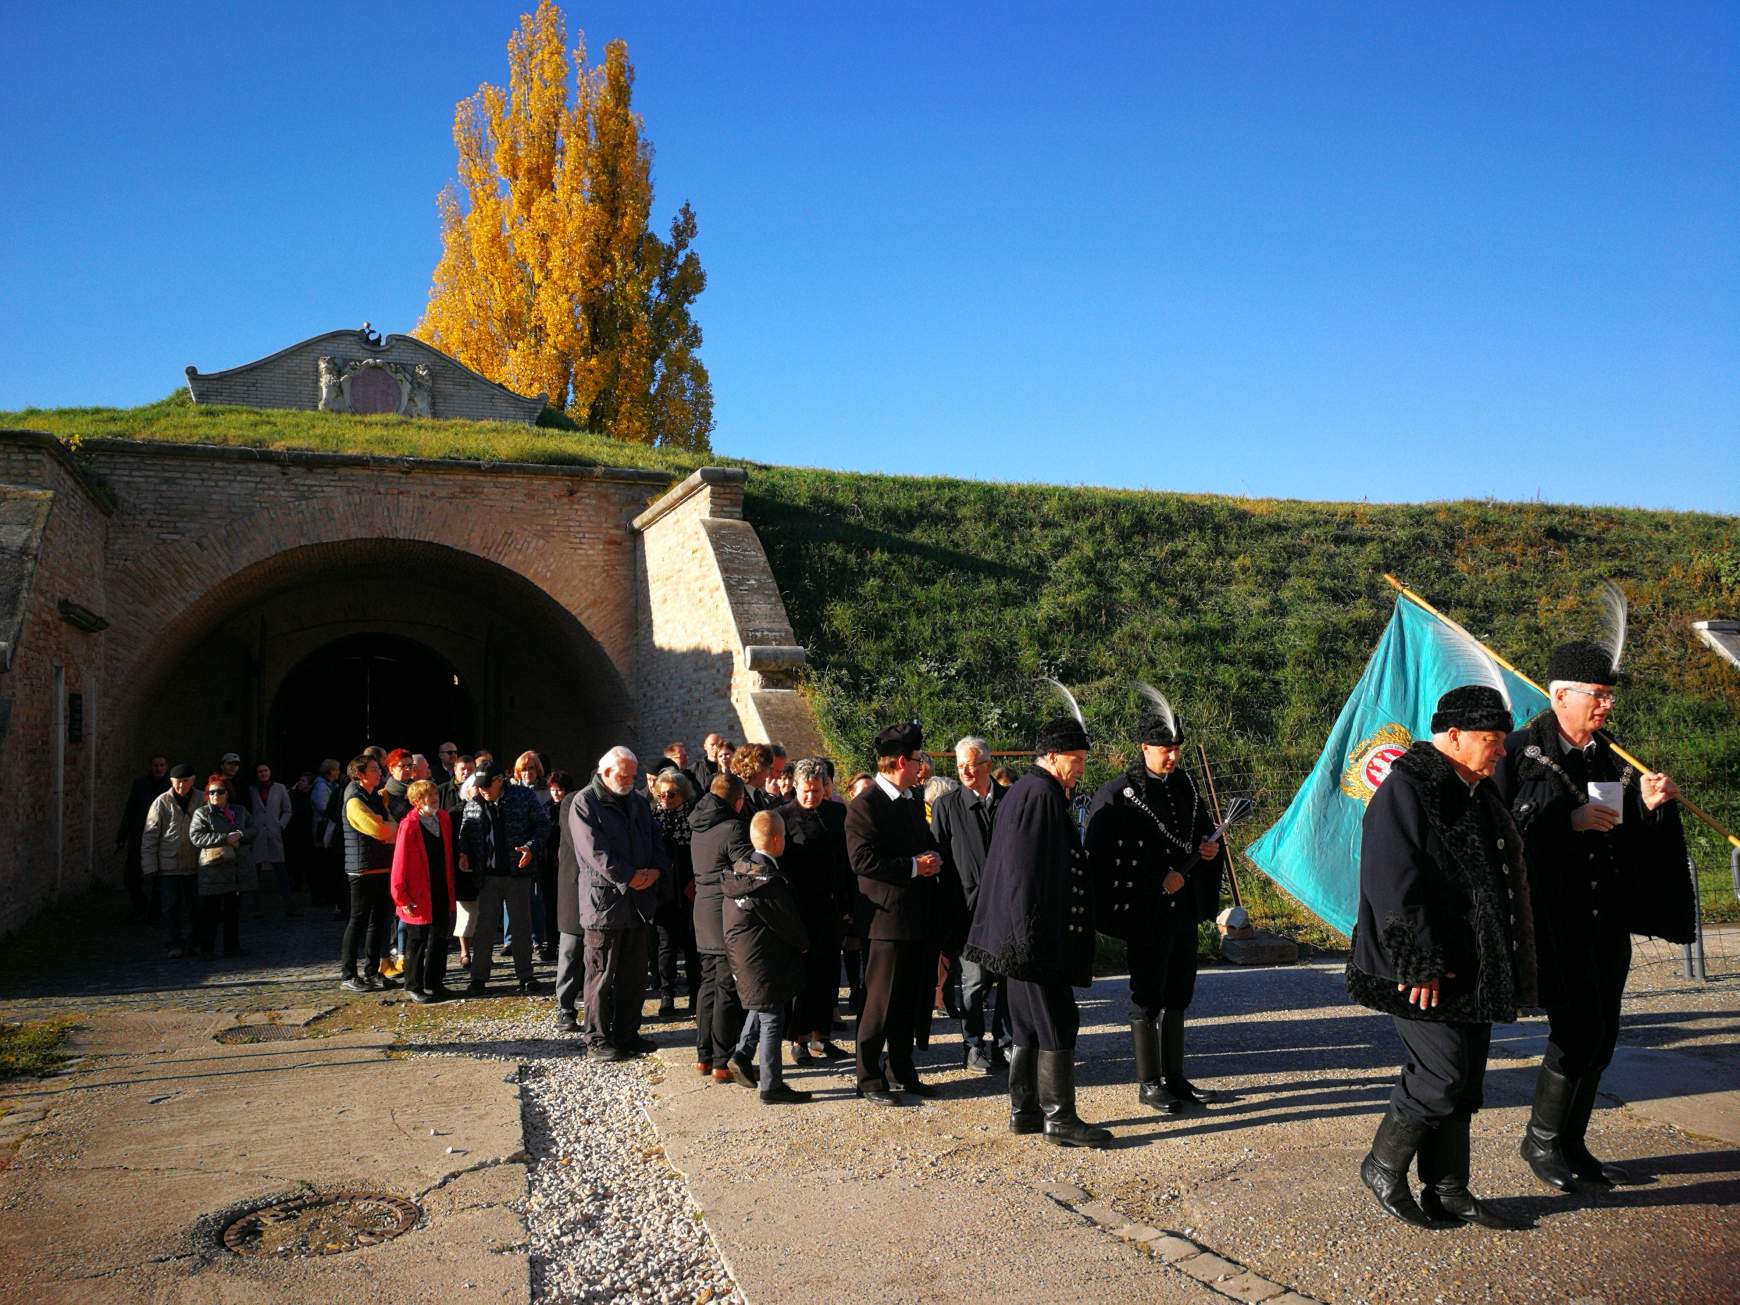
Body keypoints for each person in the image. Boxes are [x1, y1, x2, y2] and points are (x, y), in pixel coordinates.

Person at [1494, 640, 1693, 1194]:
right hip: (1552, 920)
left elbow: (1622, 841)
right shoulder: (1516, 752)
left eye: (1608, 696)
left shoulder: (1609, 756)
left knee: (1603, 1035)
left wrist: (1651, 810)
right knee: (1576, 1030)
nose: (1606, 706)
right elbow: (1502, 837)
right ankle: (1541, 1140)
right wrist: (1568, 822)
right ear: (1560, 695)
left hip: (1605, 919)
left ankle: (1572, 1142)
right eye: (1597, 696)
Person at [1347, 685, 1536, 1228]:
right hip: (1419, 968)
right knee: (1440, 1075)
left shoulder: (1474, 790)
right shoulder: (1408, 789)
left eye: (1500, 739)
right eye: (1489, 740)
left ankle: (1448, 1186)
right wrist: (1419, 962)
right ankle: (1382, 1166)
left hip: (1471, 966)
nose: (1500, 750)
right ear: (1453, 737)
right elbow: (1391, 883)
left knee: (1466, 1079)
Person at [963, 713, 1108, 1148]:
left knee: (1026, 1025)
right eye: (1075, 758)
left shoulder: (1029, 791)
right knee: (1057, 1021)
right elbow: (1027, 876)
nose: (1081, 767)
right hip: (1032, 940)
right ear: (1051, 756)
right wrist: (1035, 943)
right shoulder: (1041, 795)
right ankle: (1059, 1118)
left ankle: (1024, 1111)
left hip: (1020, 937)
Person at [1085, 692, 1222, 1113]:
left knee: (1179, 991)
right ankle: (1149, 1082)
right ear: (1144, 748)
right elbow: (1102, 860)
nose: (1172, 757)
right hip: (1144, 912)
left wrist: (1207, 851)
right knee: (1147, 994)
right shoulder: (1118, 794)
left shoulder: (1185, 786)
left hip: (1182, 911)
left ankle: (1176, 1077)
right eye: (1165, 749)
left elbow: (1198, 832)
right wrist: (1156, 879)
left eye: (1177, 749)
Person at [845, 721, 943, 1107]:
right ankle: (867, 1076)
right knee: (881, 1001)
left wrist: (934, 856)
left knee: (909, 999)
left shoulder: (908, 800)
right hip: (886, 919)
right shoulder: (865, 805)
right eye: (918, 759)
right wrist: (916, 867)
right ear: (901, 760)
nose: (921, 766)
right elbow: (863, 860)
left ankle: (900, 1068)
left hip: (916, 915)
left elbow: (924, 842)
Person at [570, 747, 668, 1060]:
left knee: (634, 975)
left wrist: (654, 871)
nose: (630, 781)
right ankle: (597, 1040)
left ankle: (627, 1034)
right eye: (624, 775)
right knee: (600, 976)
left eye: (632, 775)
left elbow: (656, 840)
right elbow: (596, 853)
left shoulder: (638, 802)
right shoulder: (585, 802)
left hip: (638, 904)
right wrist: (629, 876)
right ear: (606, 772)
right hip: (605, 905)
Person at [723, 810, 813, 1104]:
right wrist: (804, 944)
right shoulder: (768, 880)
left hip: (744, 954)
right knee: (773, 1015)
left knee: (761, 1004)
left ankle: (742, 1053)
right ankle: (771, 1085)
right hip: (763, 957)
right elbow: (788, 923)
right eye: (784, 835)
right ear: (776, 839)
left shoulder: (742, 869)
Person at [930, 736, 1007, 1072]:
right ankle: (973, 1045)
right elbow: (940, 862)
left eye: (971, 764)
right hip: (967, 913)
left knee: (1007, 980)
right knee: (974, 984)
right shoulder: (947, 807)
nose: (964, 771)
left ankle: (1005, 1043)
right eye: (960, 765)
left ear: (987, 765)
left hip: (1006, 911)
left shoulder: (1010, 800)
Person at [778, 757, 853, 1064]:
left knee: (828, 974)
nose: (811, 797)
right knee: (800, 979)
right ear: (795, 786)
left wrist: (848, 904)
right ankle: (797, 1039)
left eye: (817, 790)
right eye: (806, 791)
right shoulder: (782, 816)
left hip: (830, 908)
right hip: (798, 910)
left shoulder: (837, 812)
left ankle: (821, 1037)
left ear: (826, 788)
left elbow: (846, 861)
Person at [460, 758, 550, 996]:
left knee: (521, 926)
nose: (483, 790)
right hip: (487, 875)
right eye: (480, 785)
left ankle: (525, 976)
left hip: (517, 874)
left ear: (500, 781)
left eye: (487, 785)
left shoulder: (523, 796)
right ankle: (478, 978)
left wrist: (531, 848)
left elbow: (543, 825)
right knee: (484, 927)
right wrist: (464, 852)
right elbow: (465, 831)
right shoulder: (474, 801)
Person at [689, 772, 753, 1080]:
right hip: (725, 915)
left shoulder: (698, 825)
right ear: (738, 801)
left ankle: (703, 1055)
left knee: (708, 984)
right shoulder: (733, 828)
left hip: (703, 910)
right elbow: (747, 870)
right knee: (727, 988)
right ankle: (721, 1059)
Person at [390, 778, 457, 1003]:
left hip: (440, 886)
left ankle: (435, 982)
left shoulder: (443, 819)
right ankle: (413, 984)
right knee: (416, 940)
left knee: (439, 937)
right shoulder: (408, 825)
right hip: (417, 892)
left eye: (436, 797)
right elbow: (399, 863)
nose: (435, 801)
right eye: (430, 798)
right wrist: (401, 896)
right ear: (417, 801)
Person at [339, 754, 399, 992]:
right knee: (358, 921)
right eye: (374, 769)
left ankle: (373, 971)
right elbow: (380, 829)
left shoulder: (375, 796)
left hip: (382, 865)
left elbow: (390, 823)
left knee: (380, 921)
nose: (380, 772)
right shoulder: (354, 800)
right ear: (360, 774)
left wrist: (390, 827)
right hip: (361, 870)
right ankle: (348, 974)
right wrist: (390, 829)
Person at [188, 773, 256, 960]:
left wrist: (240, 835)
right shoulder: (203, 813)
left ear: (228, 793)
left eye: (219, 791)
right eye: (211, 792)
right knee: (210, 912)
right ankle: (207, 948)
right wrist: (224, 838)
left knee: (232, 911)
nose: (215, 795)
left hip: (236, 869)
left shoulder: (240, 811)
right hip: (214, 869)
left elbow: (253, 829)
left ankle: (231, 947)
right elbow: (196, 837)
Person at [650, 770, 700, 1017]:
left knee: (692, 945)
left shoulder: (693, 816)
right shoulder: (653, 817)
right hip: (663, 891)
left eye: (671, 794)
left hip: (689, 888)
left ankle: (696, 994)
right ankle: (667, 994)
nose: (666, 799)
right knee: (666, 945)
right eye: (661, 795)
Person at [141, 763, 200, 957]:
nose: (181, 786)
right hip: (169, 864)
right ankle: (173, 943)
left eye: (185, 782)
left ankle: (194, 942)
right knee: (170, 907)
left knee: (195, 906)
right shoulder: (162, 802)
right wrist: (150, 865)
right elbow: (150, 835)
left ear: (192, 781)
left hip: (195, 863)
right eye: (177, 782)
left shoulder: (202, 799)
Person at [514, 750, 556, 961]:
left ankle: (540, 940)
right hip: (520, 850)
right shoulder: (512, 791)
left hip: (542, 851)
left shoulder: (546, 793)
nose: (527, 772)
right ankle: (519, 940)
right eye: (523, 769)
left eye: (531, 768)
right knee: (522, 899)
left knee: (541, 898)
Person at [116, 754, 169, 918]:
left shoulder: (171, 786)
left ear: (166, 767)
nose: (158, 768)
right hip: (139, 835)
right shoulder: (140, 784)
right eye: (155, 765)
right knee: (131, 876)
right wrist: (122, 835)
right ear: (150, 767)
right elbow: (131, 808)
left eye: (161, 765)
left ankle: (155, 911)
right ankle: (141, 905)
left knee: (160, 878)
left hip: (162, 837)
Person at [248, 762, 298, 917]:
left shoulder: (280, 788)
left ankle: (289, 905)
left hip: (274, 832)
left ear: (270, 772)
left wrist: (280, 825)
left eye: (265, 771)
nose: (263, 774)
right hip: (257, 834)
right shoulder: (251, 789)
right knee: (254, 872)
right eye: (260, 771)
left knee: (280, 870)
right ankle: (256, 908)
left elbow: (287, 810)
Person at [311, 758, 344, 914]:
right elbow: (324, 807)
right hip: (323, 828)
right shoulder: (321, 787)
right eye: (336, 769)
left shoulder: (333, 785)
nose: (339, 772)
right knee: (322, 863)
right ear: (331, 771)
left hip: (328, 826)